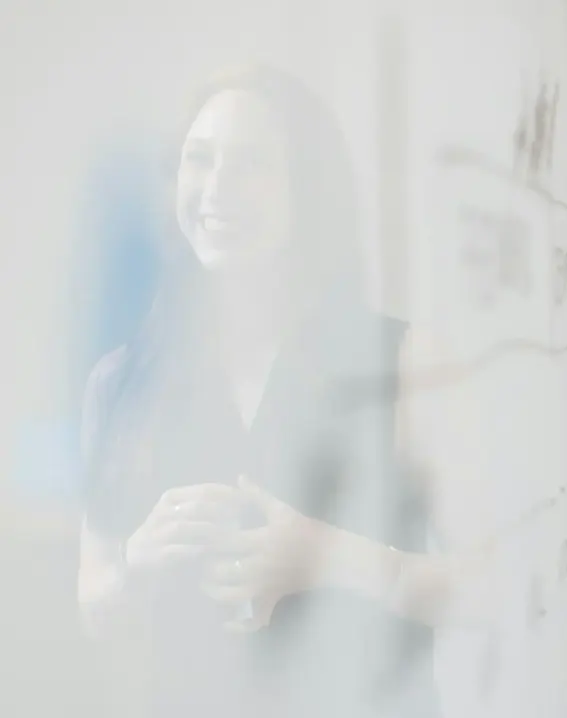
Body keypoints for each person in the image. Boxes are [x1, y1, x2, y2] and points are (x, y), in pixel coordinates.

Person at [75, 65, 447, 717]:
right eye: (200, 159)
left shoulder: (404, 361)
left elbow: (487, 586)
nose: (218, 188)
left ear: (308, 191)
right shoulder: (121, 382)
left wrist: (327, 556)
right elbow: (95, 607)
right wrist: (139, 559)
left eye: (251, 164)